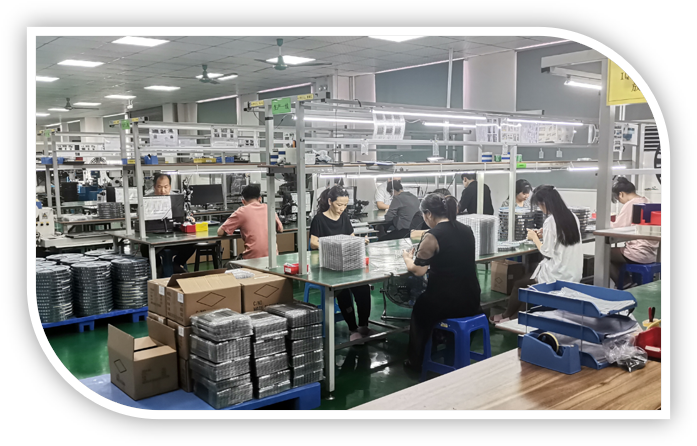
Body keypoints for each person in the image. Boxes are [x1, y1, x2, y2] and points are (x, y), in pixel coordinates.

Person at [401, 193, 484, 371]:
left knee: (420, 310)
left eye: (423, 215)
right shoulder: (467, 230)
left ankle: (416, 361)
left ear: (429, 214)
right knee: (429, 305)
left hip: (447, 301)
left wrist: (407, 258)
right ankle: (449, 346)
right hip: (472, 298)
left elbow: (418, 270)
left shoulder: (433, 235)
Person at [489, 185, 583, 324]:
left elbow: (547, 252)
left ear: (544, 203)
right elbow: (561, 239)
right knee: (528, 286)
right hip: (572, 273)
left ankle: (507, 316)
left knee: (520, 285)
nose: (540, 209)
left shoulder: (551, 221)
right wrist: (545, 234)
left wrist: (534, 238)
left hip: (557, 274)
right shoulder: (571, 216)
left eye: (539, 205)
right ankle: (512, 317)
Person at [310, 186, 374, 342]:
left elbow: (350, 237)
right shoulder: (319, 219)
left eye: (345, 205)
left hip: (348, 263)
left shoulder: (344, 217)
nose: (342, 208)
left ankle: (363, 326)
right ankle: (352, 328)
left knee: (363, 288)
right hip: (329, 266)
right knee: (343, 290)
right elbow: (313, 243)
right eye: (339, 205)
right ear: (330, 201)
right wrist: (333, 244)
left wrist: (359, 241)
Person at [140, 173, 197, 275]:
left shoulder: (177, 199)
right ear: (154, 187)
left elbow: (185, 214)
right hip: (153, 237)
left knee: (192, 243)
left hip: (174, 237)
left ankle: (177, 264)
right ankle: (157, 268)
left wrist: (188, 218)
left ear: (170, 186)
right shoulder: (146, 200)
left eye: (166, 187)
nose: (163, 190)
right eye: (159, 187)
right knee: (144, 248)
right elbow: (139, 217)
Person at [609, 178, 660, 288]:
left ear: (621, 194)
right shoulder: (646, 200)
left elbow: (617, 227)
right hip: (651, 253)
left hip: (638, 252)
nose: (619, 201)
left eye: (618, 198)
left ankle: (625, 284)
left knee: (604, 254)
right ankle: (627, 281)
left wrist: (602, 221)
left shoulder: (631, 204)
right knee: (616, 254)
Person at [217, 184, 283, 259]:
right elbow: (280, 229)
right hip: (273, 258)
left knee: (229, 264)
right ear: (260, 199)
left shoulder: (241, 212)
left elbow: (220, 232)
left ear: (243, 201)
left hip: (252, 259)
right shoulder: (269, 208)